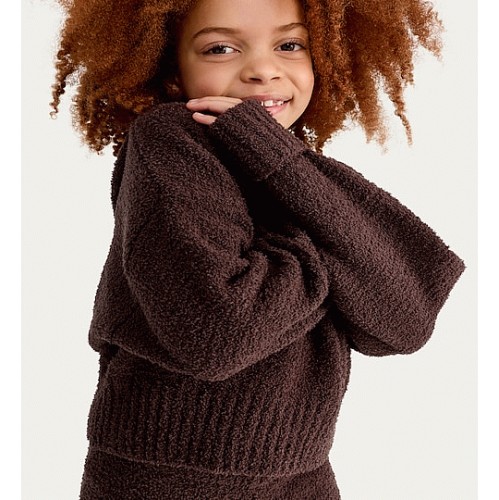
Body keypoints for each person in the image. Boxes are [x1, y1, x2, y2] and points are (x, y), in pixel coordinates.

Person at [50, 0, 465, 498]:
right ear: (171, 69)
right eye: (220, 49)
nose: (263, 70)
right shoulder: (171, 141)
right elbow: (220, 332)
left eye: (290, 44)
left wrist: (285, 163)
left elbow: (406, 322)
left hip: (302, 474)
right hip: (166, 476)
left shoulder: (290, 169)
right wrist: (326, 247)